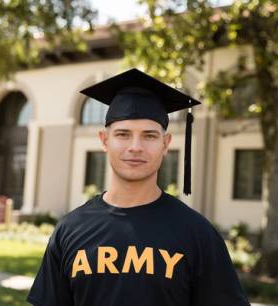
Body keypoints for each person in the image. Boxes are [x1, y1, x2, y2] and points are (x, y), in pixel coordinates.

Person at [26, 68, 251, 306]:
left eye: (149, 136)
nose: (135, 147)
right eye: (123, 134)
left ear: (165, 144)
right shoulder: (69, 230)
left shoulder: (198, 235)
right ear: (104, 140)